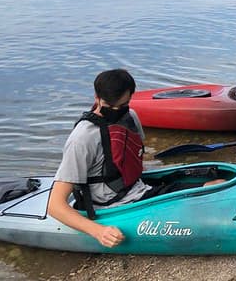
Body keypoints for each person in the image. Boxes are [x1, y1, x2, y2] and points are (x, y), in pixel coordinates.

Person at [48, 69, 224, 248]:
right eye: (110, 106)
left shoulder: (130, 117)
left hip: (138, 189)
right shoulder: (82, 138)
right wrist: (99, 231)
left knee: (216, 183)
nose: (117, 111)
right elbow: (55, 206)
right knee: (210, 192)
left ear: (130, 97)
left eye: (123, 104)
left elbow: (135, 158)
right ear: (97, 97)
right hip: (112, 207)